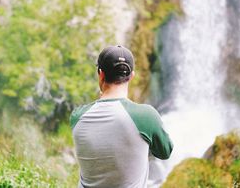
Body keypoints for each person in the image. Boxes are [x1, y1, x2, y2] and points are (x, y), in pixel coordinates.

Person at [70, 45, 173, 188]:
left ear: (101, 74)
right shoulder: (146, 116)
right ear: (131, 76)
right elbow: (165, 152)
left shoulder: (77, 116)